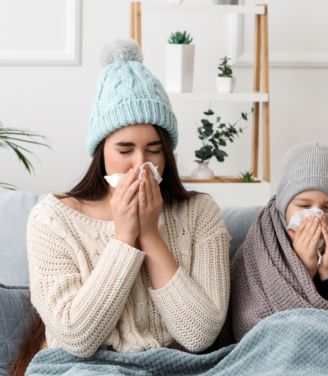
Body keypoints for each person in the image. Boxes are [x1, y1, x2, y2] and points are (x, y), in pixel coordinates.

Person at [11, 39, 230, 375]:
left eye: (154, 150)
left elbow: (200, 335)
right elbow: (77, 338)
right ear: (101, 152)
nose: (140, 165)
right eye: (125, 150)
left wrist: (150, 235)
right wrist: (125, 236)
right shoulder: (51, 219)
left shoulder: (200, 213)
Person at [223, 142, 328, 343]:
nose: (316, 216)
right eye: (303, 205)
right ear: (284, 206)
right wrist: (304, 273)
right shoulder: (260, 250)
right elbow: (248, 327)